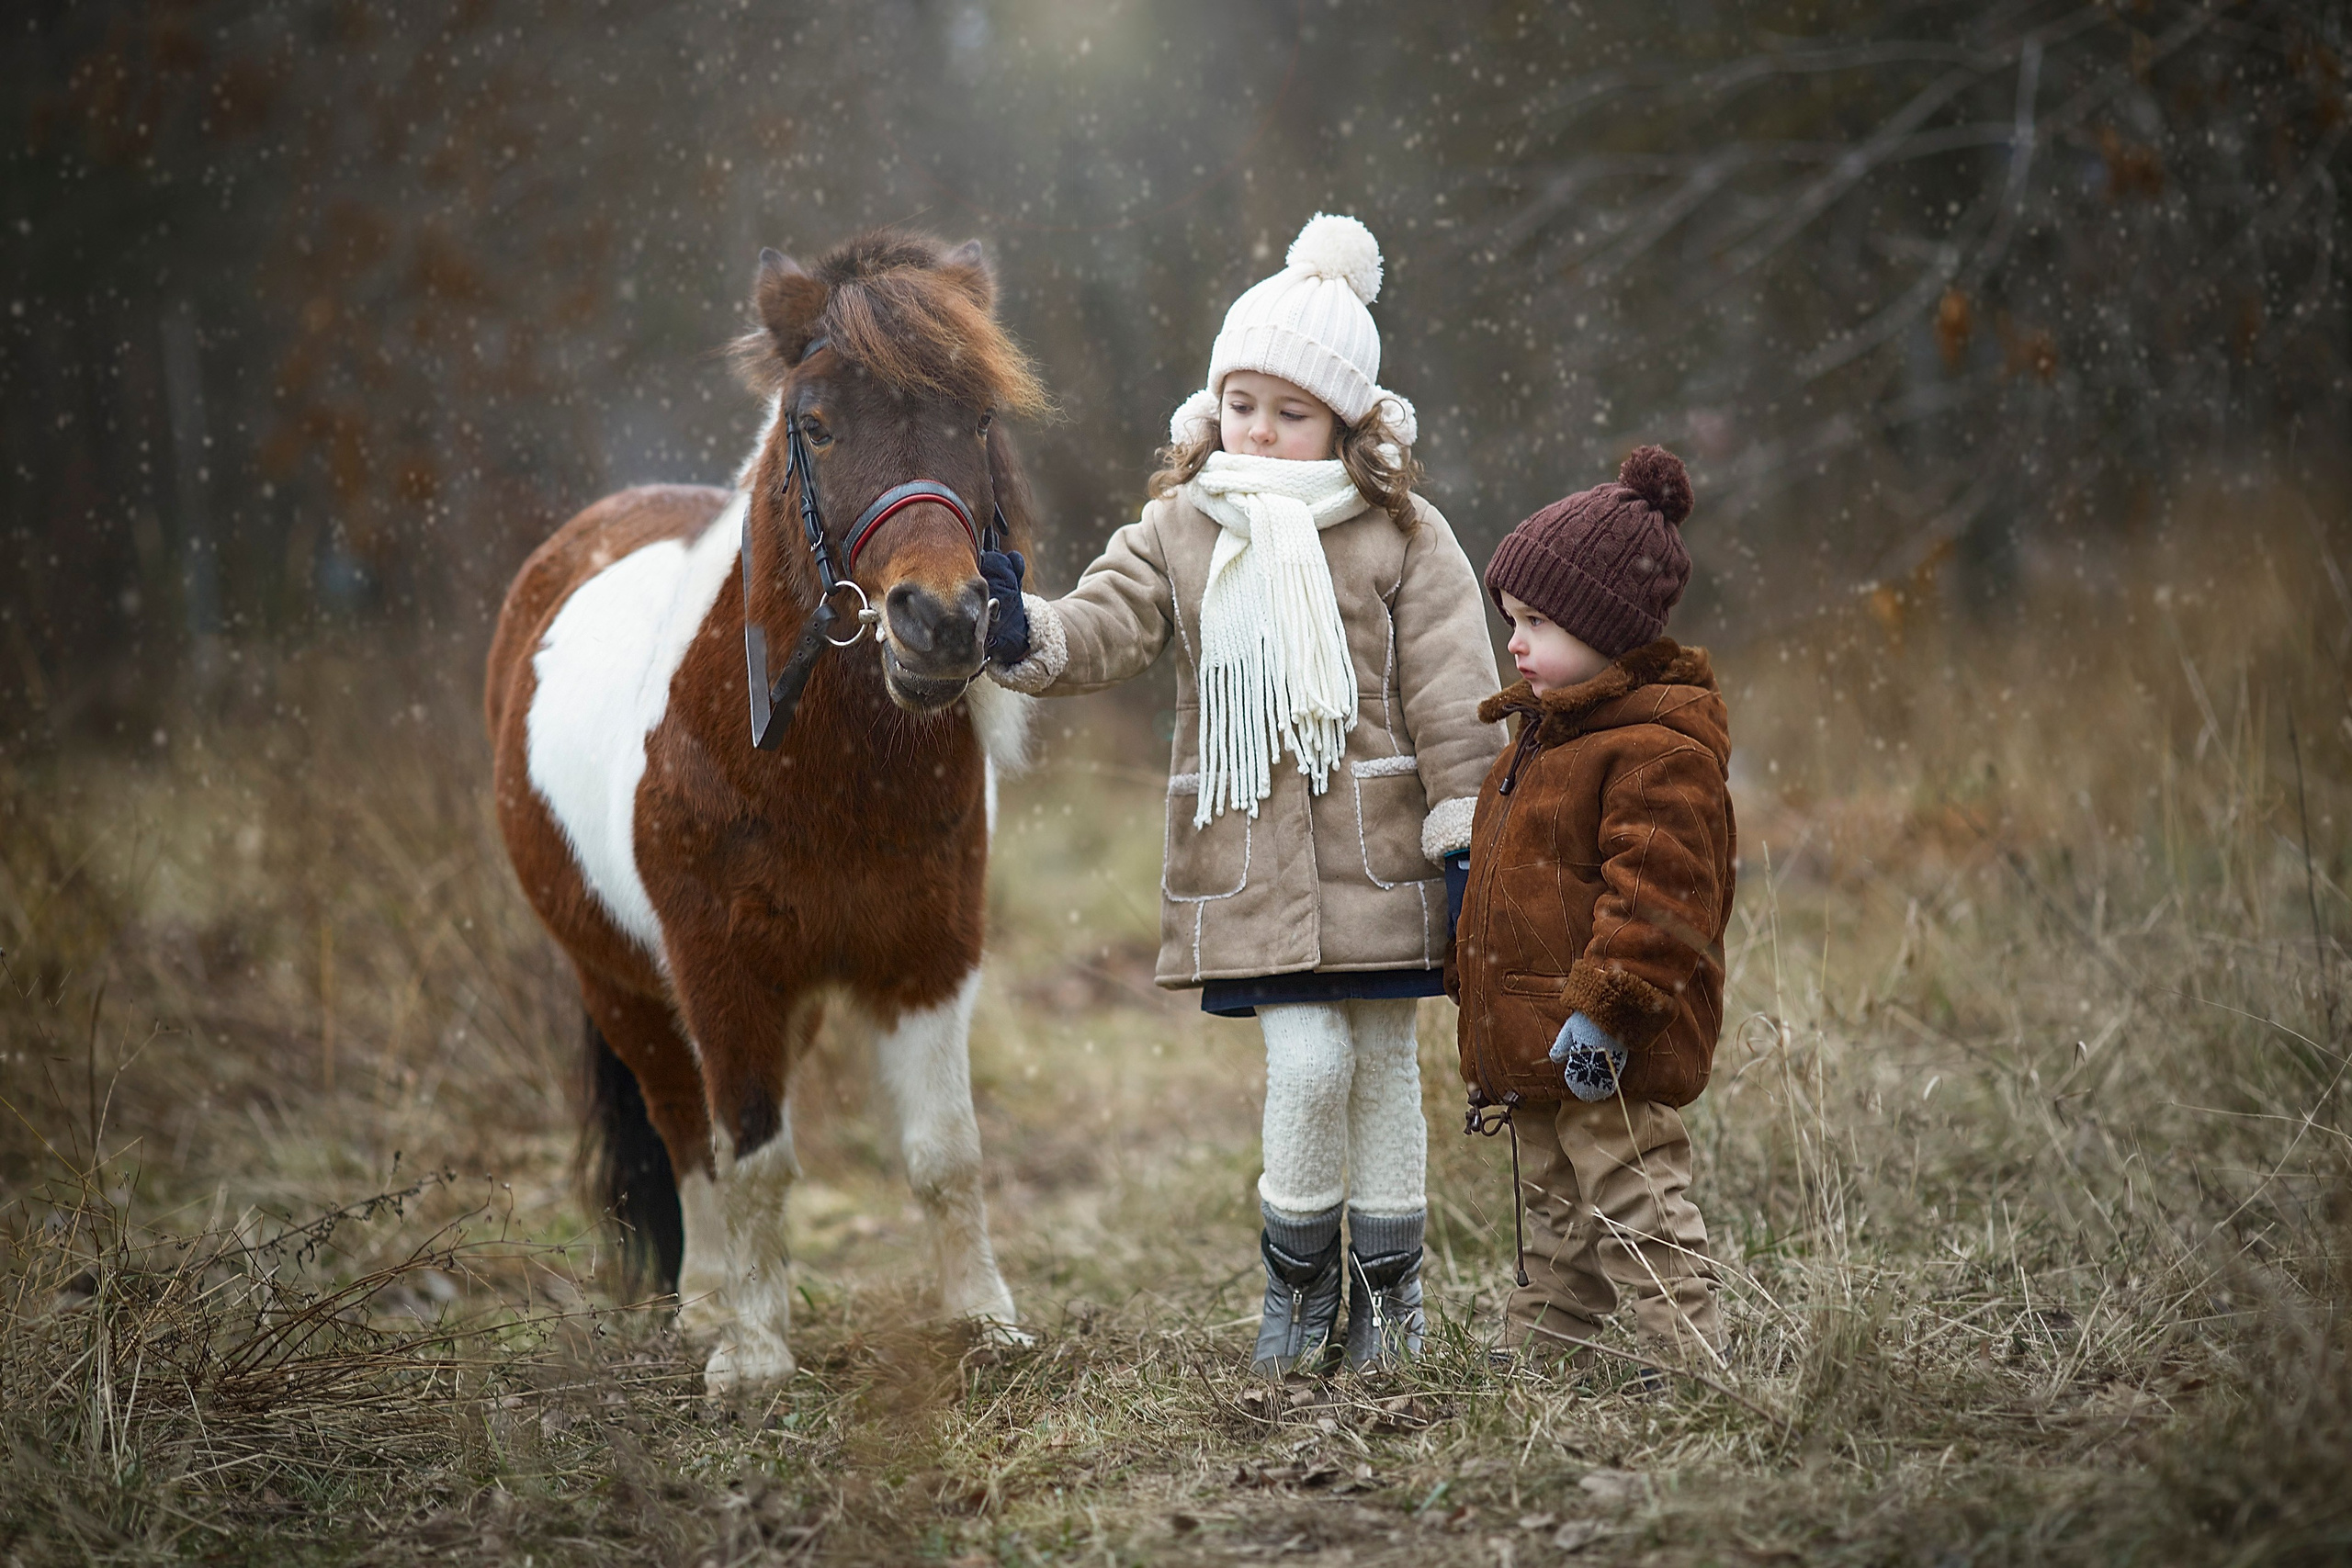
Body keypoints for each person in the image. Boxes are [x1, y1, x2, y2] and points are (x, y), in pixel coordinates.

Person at [981, 214, 1503, 1374]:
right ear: (1213, 404)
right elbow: (1103, 625)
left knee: (1381, 1071)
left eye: (1292, 410)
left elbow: (1456, 693)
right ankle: (1294, 1297)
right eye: (1242, 402)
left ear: (1346, 422)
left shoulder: (1404, 534)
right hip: (1254, 866)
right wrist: (1021, 632)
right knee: (1310, 1062)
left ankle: (1388, 1312)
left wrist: (1467, 836)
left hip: (1384, 854)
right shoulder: (1182, 525)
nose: (1259, 429)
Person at [1449, 446, 1736, 1374]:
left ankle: (1694, 1360)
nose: (1516, 642)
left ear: (1609, 629)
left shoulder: (1652, 751)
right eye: (1510, 619)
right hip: (1537, 1042)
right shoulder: (1542, 737)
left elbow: (1662, 898)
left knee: (1635, 1199)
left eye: (1538, 621)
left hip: (1610, 1043)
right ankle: (1540, 1361)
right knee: (1557, 1218)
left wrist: (1605, 1007)